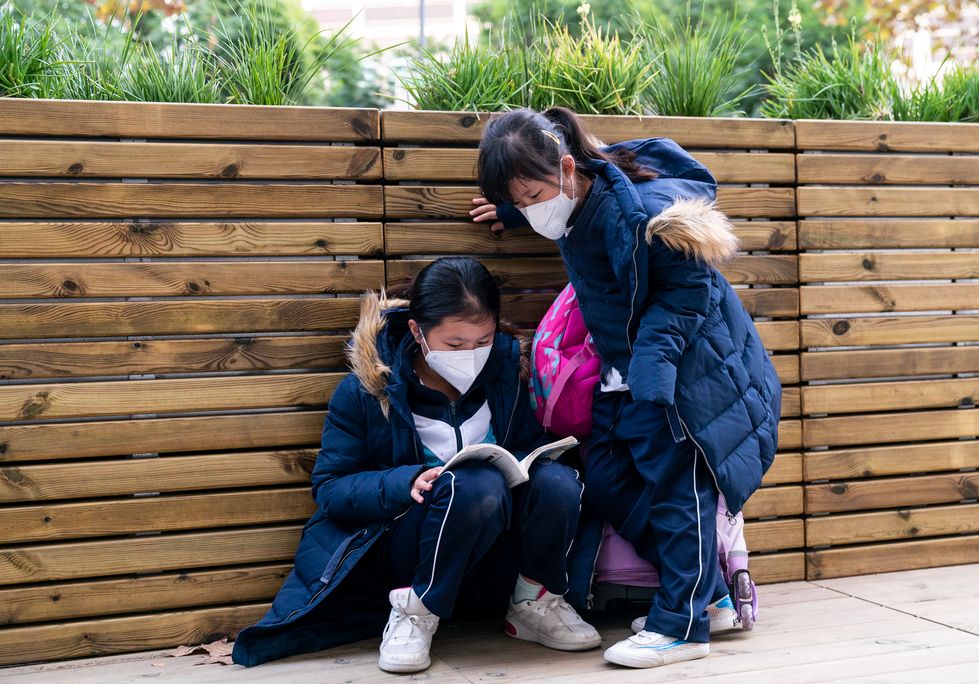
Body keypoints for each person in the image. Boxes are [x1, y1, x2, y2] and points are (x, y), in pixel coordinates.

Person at [472, 107, 781, 668]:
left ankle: (681, 626)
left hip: (684, 375)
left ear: (568, 169)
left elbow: (691, 294)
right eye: (519, 201)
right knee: (610, 476)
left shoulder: (643, 215)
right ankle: (709, 595)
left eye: (533, 195)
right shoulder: (575, 202)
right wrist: (519, 214)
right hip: (624, 371)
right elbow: (564, 217)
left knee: (677, 488)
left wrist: (654, 367)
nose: (531, 210)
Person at [231, 257, 601, 672]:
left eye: (483, 340)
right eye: (455, 345)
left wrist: (534, 460)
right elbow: (331, 488)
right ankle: (415, 613)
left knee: (559, 482)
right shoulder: (366, 391)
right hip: (408, 548)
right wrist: (403, 482)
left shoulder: (504, 375)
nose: (471, 355)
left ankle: (535, 602)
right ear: (417, 332)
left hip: (493, 551)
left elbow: (529, 446)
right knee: (475, 484)